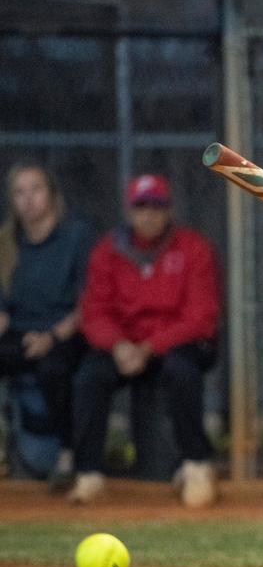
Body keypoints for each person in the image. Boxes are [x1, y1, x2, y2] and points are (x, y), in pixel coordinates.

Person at [69, 174, 220, 507]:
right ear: (129, 210)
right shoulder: (109, 250)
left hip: (174, 343)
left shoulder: (192, 247)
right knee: (90, 376)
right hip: (125, 345)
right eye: (141, 207)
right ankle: (88, 474)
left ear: (168, 210)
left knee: (183, 371)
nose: (148, 215)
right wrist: (120, 345)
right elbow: (94, 312)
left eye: (156, 206)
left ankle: (195, 464)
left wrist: (150, 347)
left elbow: (201, 317)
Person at [0, 163, 95, 489]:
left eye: (36, 189)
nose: (28, 200)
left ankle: (67, 456)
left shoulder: (76, 236)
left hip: (67, 333)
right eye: (19, 192)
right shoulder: (6, 242)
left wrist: (52, 336)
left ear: (52, 195)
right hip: (21, 332)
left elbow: (89, 303)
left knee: (54, 369)